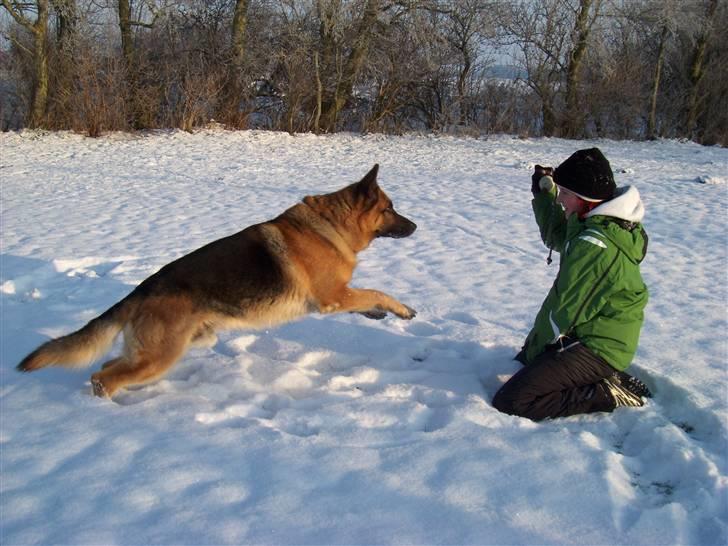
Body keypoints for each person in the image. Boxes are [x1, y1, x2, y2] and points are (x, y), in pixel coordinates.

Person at [493, 148, 651, 421]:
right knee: (527, 368)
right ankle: (596, 376)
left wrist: (533, 353)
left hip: (600, 346)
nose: (561, 198)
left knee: (513, 399)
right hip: (589, 334)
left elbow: (564, 311)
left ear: (585, 198)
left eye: (564, 193)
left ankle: (605, 391)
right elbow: (559, 236)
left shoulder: (596, 245)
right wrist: (545, 197)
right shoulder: (594, 221)